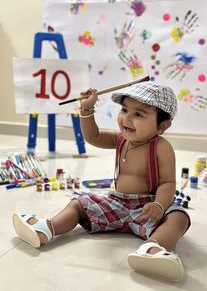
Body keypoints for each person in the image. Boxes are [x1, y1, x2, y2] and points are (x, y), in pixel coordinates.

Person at [13, 80, 191, 282]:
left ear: (162, 126)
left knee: (178, 217)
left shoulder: (161, 147)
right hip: (116, 203)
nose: (126, 118)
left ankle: (153, 248)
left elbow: (168, 183)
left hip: (147, 207)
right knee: (79, 202)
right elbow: (94, 136)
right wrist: (87, 109)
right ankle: (46, 229)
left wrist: (160, 204)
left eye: (138, 114)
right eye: (124, 110)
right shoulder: (120, 139)